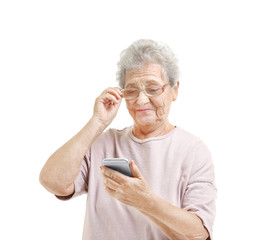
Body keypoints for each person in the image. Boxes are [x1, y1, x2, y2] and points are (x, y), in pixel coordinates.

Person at [39, 39, 216, 240]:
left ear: (174, 90)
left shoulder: (193, 151)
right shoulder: (104, 143)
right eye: (131, 91)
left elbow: (198, 234)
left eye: (153, 88)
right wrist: (97, 123)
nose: (141, 100)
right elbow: (52, 181)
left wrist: (144, 200)